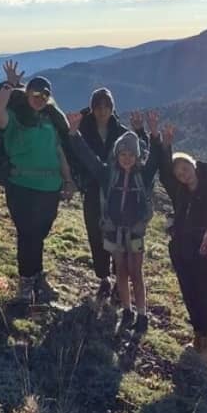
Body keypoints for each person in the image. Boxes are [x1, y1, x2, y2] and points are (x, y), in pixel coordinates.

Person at [66, 108, 159, 337]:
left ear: (137, 157)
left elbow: (155, 159)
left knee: (136, 273)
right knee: (121, 272)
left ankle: (142, 314)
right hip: (114, 231)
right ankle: (127, 311)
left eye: (131, 155)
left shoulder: (142, 175)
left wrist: (153, 133)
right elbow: (88, 157)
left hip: (135, 232)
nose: (127, 158)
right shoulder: (108, 173)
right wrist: (74, 134)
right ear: (117, 155)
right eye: (123, 154)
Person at [0, 75, 76, 304]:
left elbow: (59, 153)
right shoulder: (15, 119)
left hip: (50, 187)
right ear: (26, 93)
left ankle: (36, 277)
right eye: (35, 94)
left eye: (44, 95)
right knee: (28, 234)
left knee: (39, 234)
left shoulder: (50, 120)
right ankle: (27, 281)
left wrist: (68, 181)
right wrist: (9, 85)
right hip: (22, 186)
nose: (39, 98)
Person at [153, 123, 207, 356]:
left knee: (206, 294)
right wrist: (166, 146)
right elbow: (164, 172)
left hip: (205, 251)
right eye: (178, 172)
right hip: (182, 250)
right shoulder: (178, 191)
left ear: (193, 164)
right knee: (189, 292)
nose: (182, 174)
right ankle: (198, 334)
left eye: (185, 168)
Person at [71, 88, 140, 301]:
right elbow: (76, 155)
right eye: (98, 107)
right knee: (95, 233)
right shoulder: (82, 128)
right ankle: (103, 277)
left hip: (117, 191)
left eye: (106, 107)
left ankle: (120, 281)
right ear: (92, 108)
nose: (102, 111)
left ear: (112, 108)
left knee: (117, 236)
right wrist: (77, 180)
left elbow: (138, 154)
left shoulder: (121, 132)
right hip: (92, 189)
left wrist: (145, 133)